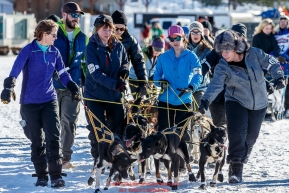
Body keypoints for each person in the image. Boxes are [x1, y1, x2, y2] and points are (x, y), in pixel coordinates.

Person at [0, 20, 81, 187]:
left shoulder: (54, 52)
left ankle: (56, 175)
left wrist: (73, 87)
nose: (55, 38)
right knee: (37, 140)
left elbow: (62, 74)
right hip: (29, 102)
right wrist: (9, 87)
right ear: (44, 34)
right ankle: (41, 175)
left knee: (54, 137)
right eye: (53, 35)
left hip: (49, 100)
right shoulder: (29, 50)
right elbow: (15, 70)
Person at [199, 30, 285, 183]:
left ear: (236, 47)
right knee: (236, 132)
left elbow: (271, 62)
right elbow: (215, 85)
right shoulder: (223, 66)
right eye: (221, 51)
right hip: (235, 100)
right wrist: (205, 101)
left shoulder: (254, 54)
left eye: (227, 50)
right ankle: (236, 168)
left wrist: (278, 76)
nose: (224, 54)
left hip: (259, 101)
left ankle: (240, 158)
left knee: (251, 137)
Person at [84, 14, 128, 160]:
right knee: (98, 130)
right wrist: (115, 84)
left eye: (110, 29)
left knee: (117, 128)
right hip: (95, 95)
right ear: (97, 29)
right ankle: (99, 159)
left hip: (114, 96)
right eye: (104, 29)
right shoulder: (91, 48)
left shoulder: (118, 46)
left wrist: (124, 70)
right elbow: (95, 73)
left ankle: (116, 156)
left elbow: (125, 61)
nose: (107, 33)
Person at [53, 2, 88, 169]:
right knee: (52, 122)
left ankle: (65, 157)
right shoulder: (53, 32)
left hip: (72, 86)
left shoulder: (82, 37)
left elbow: (85, 64)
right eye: (74, 15)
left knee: (69, 121)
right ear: (64, 14)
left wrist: (85, 84)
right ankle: (52, 153)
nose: (76, 18)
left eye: (79, 15)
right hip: (51, 86)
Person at [153, 24, 202, 131]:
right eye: (172, 38)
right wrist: (160, 82)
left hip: (184, 100)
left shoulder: (191, 56)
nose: (175, 41)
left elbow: (198, 74)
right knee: (164, 134)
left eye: (178, 38)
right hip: (165, 100)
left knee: (183, 135)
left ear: (183, 38)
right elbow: (156, 75)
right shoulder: (163, 57)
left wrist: (192, 87)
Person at [111, 10, 148, 99]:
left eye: (122, 29)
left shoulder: (130, 41)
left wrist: (143, 82)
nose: (119, 31)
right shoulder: (105, 38)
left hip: (122, 79)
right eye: (116, 28)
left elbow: (139, 61)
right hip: (105, 80)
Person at [187, 21, 213, 108]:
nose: (195, 35)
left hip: (201, 87)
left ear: (201, 34)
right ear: (189, 34)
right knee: (186, 116)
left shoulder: (207, 50)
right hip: (186, 86)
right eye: (193, 32)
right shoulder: (183, 48)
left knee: (198, 113)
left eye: (198, 32)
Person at [274, 15, 289, 118]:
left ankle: (287, 108)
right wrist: (275, 56)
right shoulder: (275, 34)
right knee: (278, 86)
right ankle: (278, 109)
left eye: (285, 22)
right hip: (277, 62)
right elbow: (272, 46)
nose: (283, 23)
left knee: (287, 88)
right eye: (281, 22)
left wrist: (286, 57)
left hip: (287, 63)